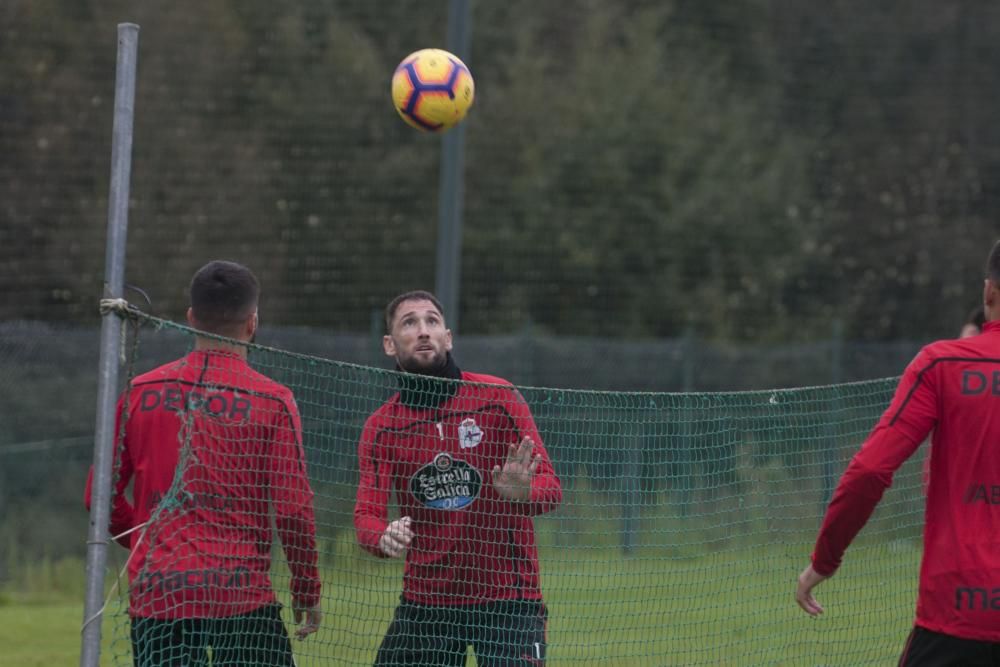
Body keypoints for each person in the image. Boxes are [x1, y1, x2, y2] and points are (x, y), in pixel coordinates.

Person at [84, 260, 321, 666]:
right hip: (242, 597)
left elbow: (98, 496)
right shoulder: (273, 400)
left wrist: (143, 541)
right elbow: (293, 510)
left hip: (159, 593)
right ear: (252, 322)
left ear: (191, 318)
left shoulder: (140, 390)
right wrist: (306, 590)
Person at [796, 241, 1000, 663]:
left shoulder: (940, 365)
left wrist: (825, 559)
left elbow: (870, 470)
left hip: (957, 614)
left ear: (989, 292)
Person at [354, 290, 562, 666]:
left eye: (432, 321)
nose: (423, 331)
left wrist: (524, 492)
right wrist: (381, 537)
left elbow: (551, 488)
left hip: (508, 603)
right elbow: (365, 518)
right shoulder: (381, 427)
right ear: (389, 344)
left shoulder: (498, 398)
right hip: (426, 605)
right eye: (409, 322)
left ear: (447, 337)